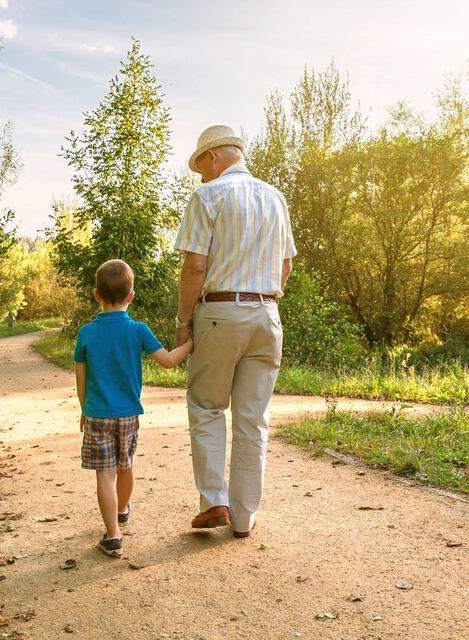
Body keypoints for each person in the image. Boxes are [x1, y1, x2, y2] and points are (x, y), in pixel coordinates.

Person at [173, 124, 297, 538]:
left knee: (208, 407)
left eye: (200, 167)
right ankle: (244, 518)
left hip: (220, 313)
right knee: (252, 418)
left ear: (212, 158)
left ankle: (214, 502)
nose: (201, 176)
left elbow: (194, 266)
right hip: (267, 314)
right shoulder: (276, 198)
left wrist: (183, 321)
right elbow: (286, 267)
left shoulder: (208, 195)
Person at [74, 259, 193, 557]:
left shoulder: (86, 333)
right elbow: (168, 361)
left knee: (105, 474)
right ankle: (123, 509)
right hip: (128, 414)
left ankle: (113, 535)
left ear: (96, 295)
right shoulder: (138, 330)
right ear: (131, 296)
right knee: (125, 465)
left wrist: (83, 410)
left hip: (98, 414)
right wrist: (193, 343)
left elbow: (81, 378)